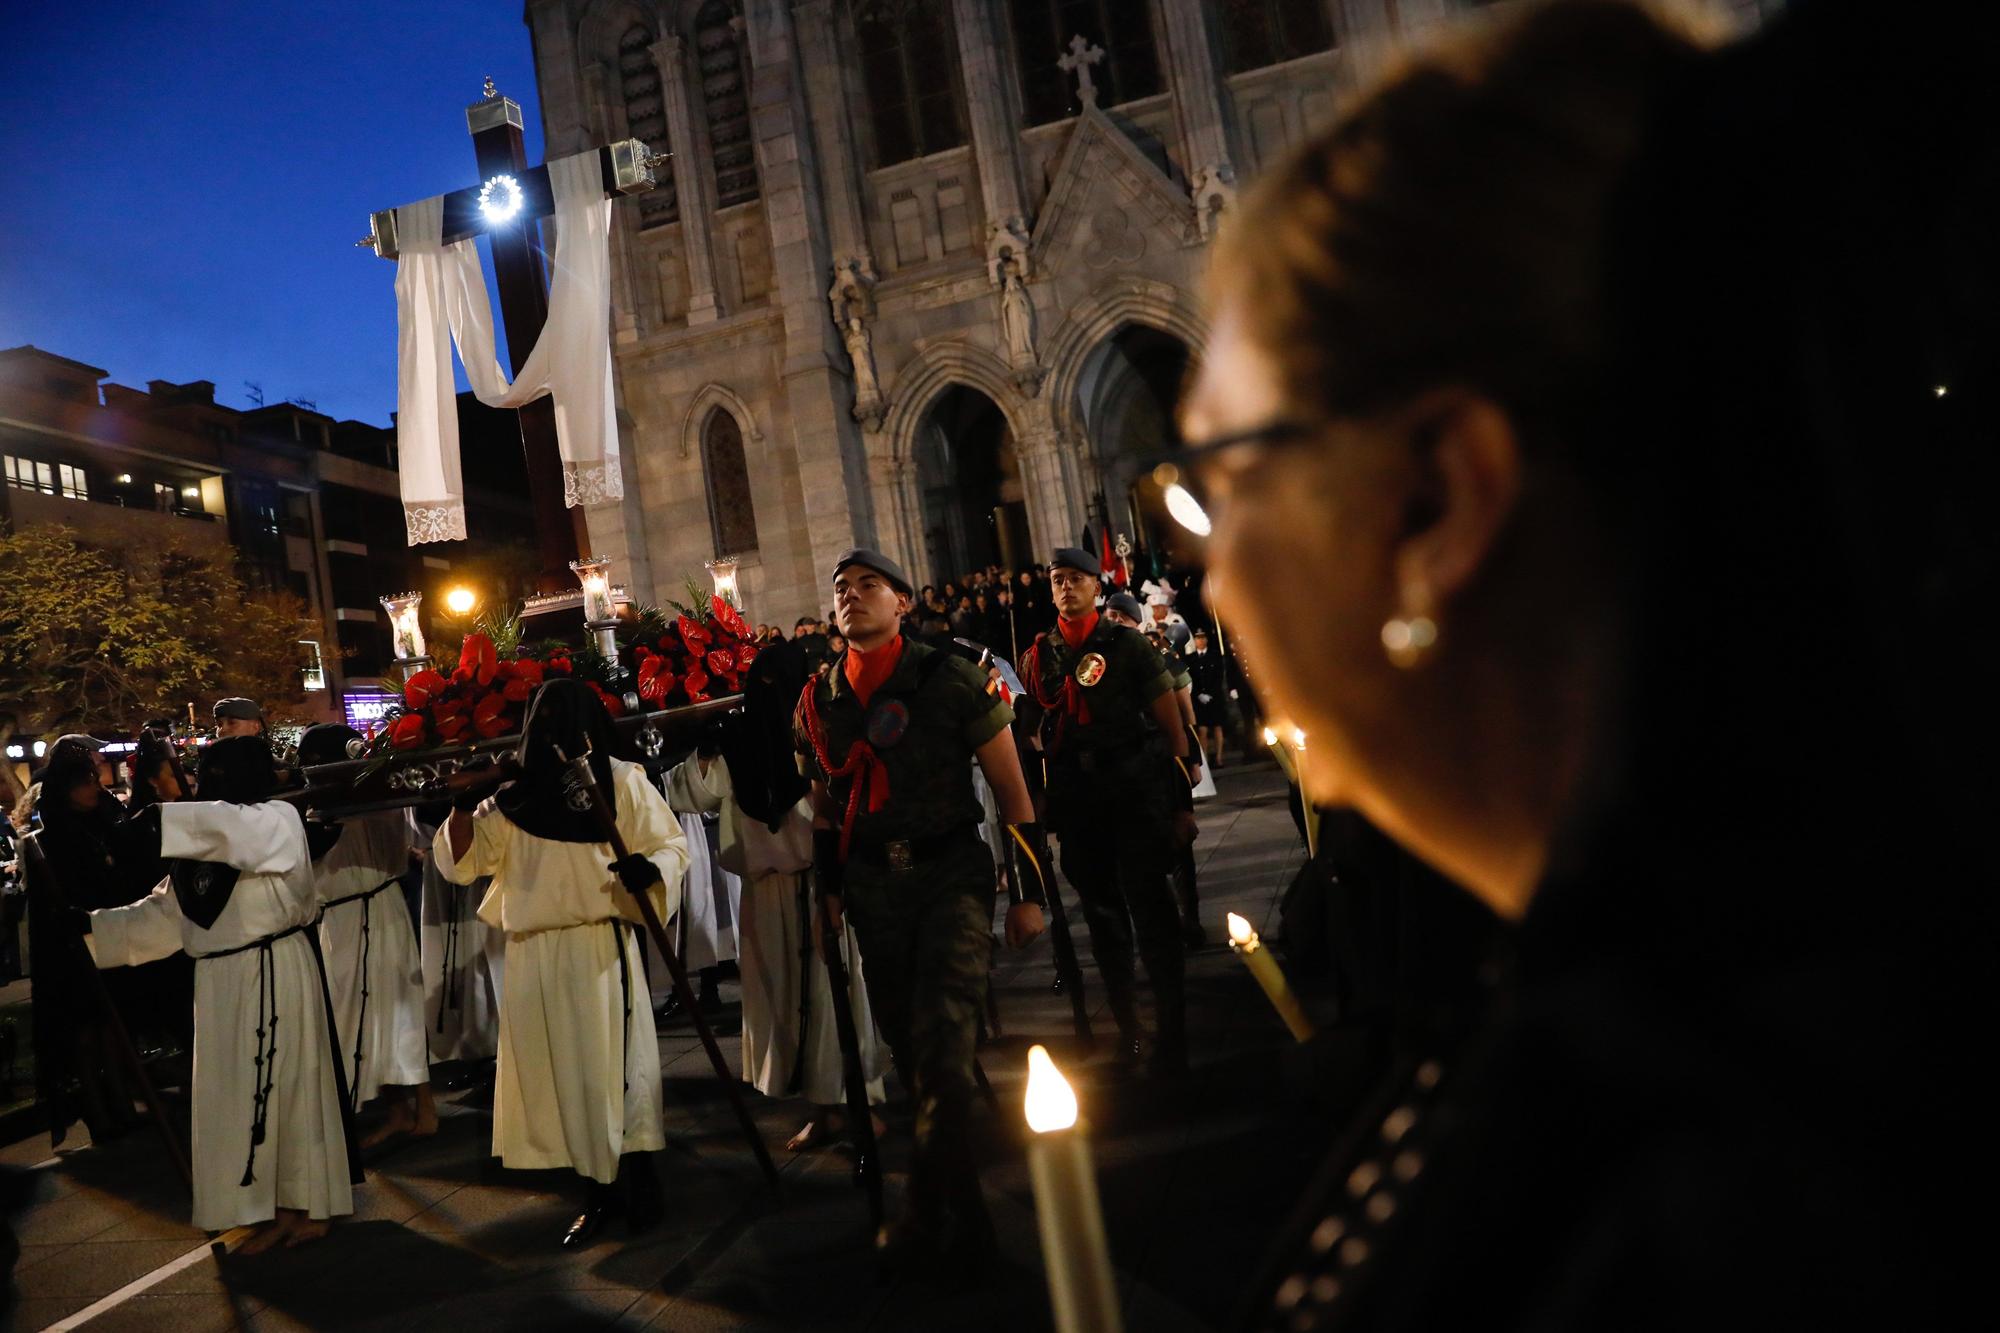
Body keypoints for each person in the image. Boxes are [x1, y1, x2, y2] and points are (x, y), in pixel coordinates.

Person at [1178, 1, 1999, 1327]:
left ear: (1440, 501)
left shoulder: (1715, 1200)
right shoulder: (1738, 984)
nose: (1213, 576)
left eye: (1226, 468)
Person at [796, 549, 1046, 1273]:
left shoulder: (953, 678)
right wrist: (830, 896)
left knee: (939, 1053)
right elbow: (823, 805)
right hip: (875, 888)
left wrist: (1027, 896)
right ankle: (962, 1204)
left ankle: (933, 1213)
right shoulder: (819, 698)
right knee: (914, 1054)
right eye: (840, 589)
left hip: (950, 878)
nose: (851, 597)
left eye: (869, 585)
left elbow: (1012, 790)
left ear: (904, 602)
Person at [435, 679, 689, 1248]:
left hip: (599, 945)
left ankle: (640, 1179)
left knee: (618, 1068)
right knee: (561, 1075)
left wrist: (649, 871)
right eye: (542, 719)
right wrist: (458, 804)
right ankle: (595, 1189)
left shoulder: (621, 781)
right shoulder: (510, 798)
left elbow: (671, 845)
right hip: (532, 954)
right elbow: (464, 862)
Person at [78, 737, 358, 1251]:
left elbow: (227, 828)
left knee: (287, 1088)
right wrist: (86, 933)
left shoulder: (275, 820)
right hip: (220, 985)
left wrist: (155, 820)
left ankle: (307, 1206)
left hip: (271, 968)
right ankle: (265, 1205)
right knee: (236, 1097)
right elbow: (163, 916)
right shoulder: (203, 846)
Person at [668, 640, 886, 1154]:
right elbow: (689, 793)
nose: (769, 695)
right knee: (785, 1004)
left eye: (777, 684)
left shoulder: (821, 731)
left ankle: (860, 1107)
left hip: (822, 887)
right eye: (760, 684)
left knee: (837, 1002)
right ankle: (821, 1110)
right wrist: (701, 747)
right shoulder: (737, 744)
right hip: (765, 894)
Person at [1019, 553, 1198, 1074]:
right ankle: (1130, 1029)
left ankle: (1173, 1028)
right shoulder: (1040, 655)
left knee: (1153, 912)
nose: (1066, 588)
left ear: (1097, 587)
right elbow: (1032, 727)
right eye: (1058, 581)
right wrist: (1038, 795)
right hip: (1079, 796)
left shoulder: (1128, 644)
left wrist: (1181, 803)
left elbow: (1170, 725)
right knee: (1102, 917)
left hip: (1134, 787)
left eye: (1076, 579)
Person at [301, 725, 434, 1147]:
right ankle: (404, 1110)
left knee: (386, 1013)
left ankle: (417, 1110)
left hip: (360, 912)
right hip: (371, 909)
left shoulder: (332, 807)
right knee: (392, 1012)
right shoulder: (377, 794)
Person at [1184, 628, 1229, 770]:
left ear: (1206, 639)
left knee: (1217, 727)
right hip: (1199, 699)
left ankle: (1219, 758)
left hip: (1214, 697)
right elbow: (1190, 679)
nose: (1200, 640)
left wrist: (1211, 694)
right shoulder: (1191, 659)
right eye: (1198, 638)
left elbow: (1219, 676)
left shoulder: (1214, 656)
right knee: (1202, 730)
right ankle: (1204, 760)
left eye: (1203, 637)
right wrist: (1198, 694)